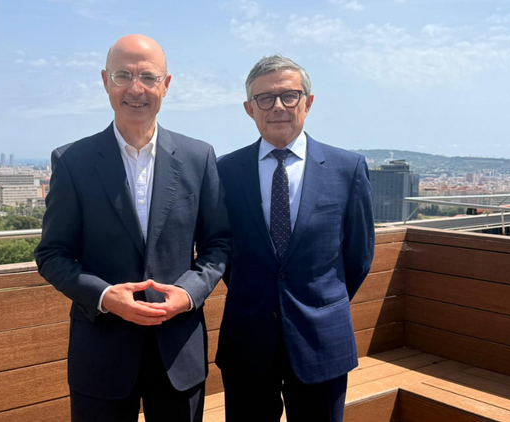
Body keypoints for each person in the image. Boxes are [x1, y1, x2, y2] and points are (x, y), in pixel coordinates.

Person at [35, 34, 230, 422]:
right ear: (105, 81)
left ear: (166, 84)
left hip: (178, 352)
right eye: (123, 75)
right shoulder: (73, 161)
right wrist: (106, 296)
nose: (136, 89)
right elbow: (52, 254)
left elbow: (218, 245)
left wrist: (187, 294)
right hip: (101, 353)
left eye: (148, 77)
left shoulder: (199, 157)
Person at [215, 55, 375, 422]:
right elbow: (222, 250)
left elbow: (358, 257)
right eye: (265, 98)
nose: (278, 106)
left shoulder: (347, 168)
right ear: (249, 109)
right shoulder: (225, 170)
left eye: (289, 95)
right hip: (248, 338)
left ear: (309, 101)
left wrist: (319, 303)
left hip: (322, 340)